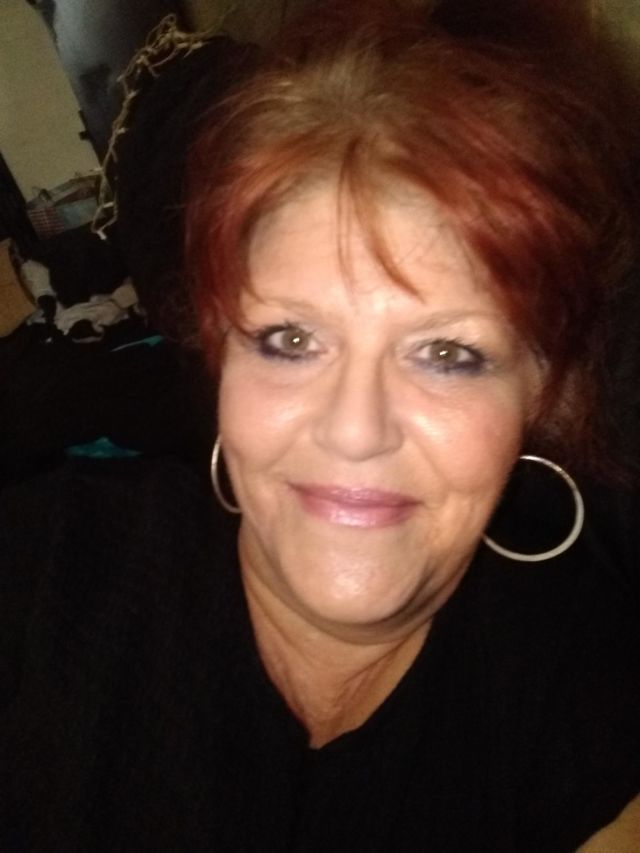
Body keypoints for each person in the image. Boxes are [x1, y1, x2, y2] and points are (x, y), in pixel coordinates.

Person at [1, 1, 639, 850]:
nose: (354, 430)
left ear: (544, 391)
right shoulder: (43, 576)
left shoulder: (590, 707)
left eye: (448, 353)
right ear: (220, 355)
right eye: (291, 339)